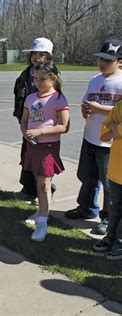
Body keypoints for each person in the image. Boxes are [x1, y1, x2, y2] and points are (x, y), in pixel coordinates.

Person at [64, 39, 122, 236]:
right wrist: (85, 108)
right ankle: (86, 207)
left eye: (108, 60)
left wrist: (99, 108)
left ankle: (107, 217)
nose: (103, 63)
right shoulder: (95, 79)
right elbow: (86, 100)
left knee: (108, 183)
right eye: (100, 59)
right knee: (86, 176)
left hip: (110, 142)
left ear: (119, 61)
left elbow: (119, 111)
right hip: (90, 137)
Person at [20, 61, 70, 241]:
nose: (38, 83)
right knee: (38, 181)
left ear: (53, 79)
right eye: (35, 79)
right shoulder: (31, 98)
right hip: (33, 145)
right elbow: (24, 120)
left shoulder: (58, 99)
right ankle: (42, 211)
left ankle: (43, 223)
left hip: (48, 147)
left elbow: (64, 126)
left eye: (42, 79)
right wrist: (25, 134)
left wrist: (41, 131)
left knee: (44, 183)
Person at [13, 37, 56, 202]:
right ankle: (29, 189)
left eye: (41, 54)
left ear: (48, 56)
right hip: (28, 121)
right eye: (34, 54)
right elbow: (19, 96)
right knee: (27, 156)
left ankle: (46, 190)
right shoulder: (25, 74)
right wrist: (20, 118)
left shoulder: (51, 75)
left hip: (45, 124)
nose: (36, 57)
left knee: (45, 160)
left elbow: (57, 99)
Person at [93, 99, 122, 260]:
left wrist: (115, 128)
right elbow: (104, 133)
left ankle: (120, 242)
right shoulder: (119, 105)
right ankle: (110, 238)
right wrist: (115, 128)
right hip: (117, 167)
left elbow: (113, 129)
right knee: (115, 207)